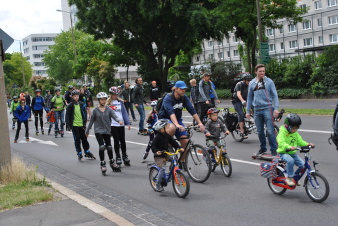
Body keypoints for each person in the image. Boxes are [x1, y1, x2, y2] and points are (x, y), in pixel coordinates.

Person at [158, 81, 205, 162]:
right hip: (165, 119)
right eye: (181, 89)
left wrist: (200, 123)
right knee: (172, 127)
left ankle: (182, 162)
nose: (183, 91)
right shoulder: (168, 97)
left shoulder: (184, 97)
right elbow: (171, 113)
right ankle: (168, 145)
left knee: (185, 141)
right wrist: (176, 125)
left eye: (185, 89)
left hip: (177, 119)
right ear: (175, 89)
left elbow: (192, 110)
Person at [246, 64, 279, 156]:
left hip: (267, 108)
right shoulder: (252, 83)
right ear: (256, 72)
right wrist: (248, 111)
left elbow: (275, 95)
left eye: (263, 71)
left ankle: (273, 150)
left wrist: (276, 108)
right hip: (257, 110)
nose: (262, 73)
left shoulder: (269, 82)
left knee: (270, 131)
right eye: (260, 71)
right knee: (260, 131)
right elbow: (249, 98)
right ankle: (263, 148)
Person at [85, 92, 123, 174]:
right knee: (102, 146)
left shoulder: (109, 109)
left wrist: (119, 120)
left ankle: (112, 162)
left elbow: (114, 116)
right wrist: (87, 131)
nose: (104, 101)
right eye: (102, 100)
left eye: (105, 99)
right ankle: (102, 163)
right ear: (99, 100)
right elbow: (91, 121)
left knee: (109, 147)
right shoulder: (95, 110)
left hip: (107, 130)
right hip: (98, 131)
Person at [277, 113, 314, 186]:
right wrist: (288, 147)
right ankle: (289, 178)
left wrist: (308, 144)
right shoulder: (282, 132)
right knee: (291, 161)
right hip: (284, 152)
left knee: (303, 165)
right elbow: (281, 142)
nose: (295, 130)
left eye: (297, 128)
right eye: (293, 128)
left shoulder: (295, 133)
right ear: (287, 126)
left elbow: (300, 141)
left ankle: (295, 177)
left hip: (292, 153)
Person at [151, 119, 183, 190]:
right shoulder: (157, 137)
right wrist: (156, 151)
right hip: (159, 156)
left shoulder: (167, 135)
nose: (168, 128)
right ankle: (158, 183)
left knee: (174, 158)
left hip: (166, 153)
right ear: (161, 129)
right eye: (166, 127)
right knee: (162, 168)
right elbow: (153, 146)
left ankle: (172, 171)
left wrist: (179, 147)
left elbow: (173, 142)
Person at [66, 89, 95, 160]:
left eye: (77, 96)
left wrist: (85, 123)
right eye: (75, 96)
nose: (76, 97)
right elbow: (67, 116)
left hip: (81, 124)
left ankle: (86, 150)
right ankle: (79, 151)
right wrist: (68, 125)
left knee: (84, 138)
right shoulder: (70, 105)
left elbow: (84, 114)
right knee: (77, 139)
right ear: (72, 97)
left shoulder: (81, 104)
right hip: (74, 125)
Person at [107, 87, 131, 166]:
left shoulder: (120, 102)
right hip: (113, 124)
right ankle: (118, 156)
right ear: (111, 95)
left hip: (121, 124)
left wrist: (127, 123)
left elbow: (124, 113)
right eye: (114, 95)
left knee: (123, 140)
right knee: (116, 140)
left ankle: (125, 155)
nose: (115, 96)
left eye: (116, 94)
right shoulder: (108, 103)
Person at [231, 74, 253, 139]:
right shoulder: (239, 84)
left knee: (254, 109)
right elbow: (238, 94)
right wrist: (242, 101)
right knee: (241, 114)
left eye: (250, 80)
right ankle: (242, 131)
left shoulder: (250, 85)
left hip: (245, 99)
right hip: (237, 100)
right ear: (244, 80)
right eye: (248, 80)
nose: (249, 82)